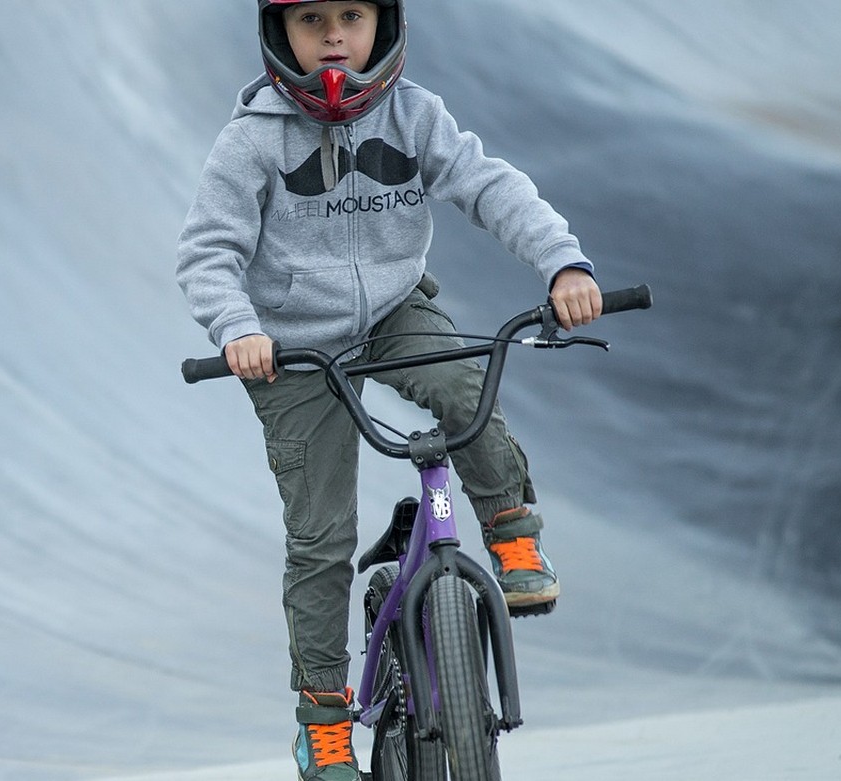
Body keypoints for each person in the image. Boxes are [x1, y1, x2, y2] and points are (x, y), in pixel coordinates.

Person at [175, 1, 602, 778]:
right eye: (310, 19)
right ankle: (322, 718)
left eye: (352, 14)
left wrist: (562, 262)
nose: (334, 35)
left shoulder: (414, 115)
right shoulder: (252, 140)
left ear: (387, 25)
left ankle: (510, 527)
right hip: (290, 346)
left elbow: (488, 186)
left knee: (461, 383)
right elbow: (208, 252)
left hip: (393, 311)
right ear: (279, 35)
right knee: (321, 536)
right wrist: (238, 328)